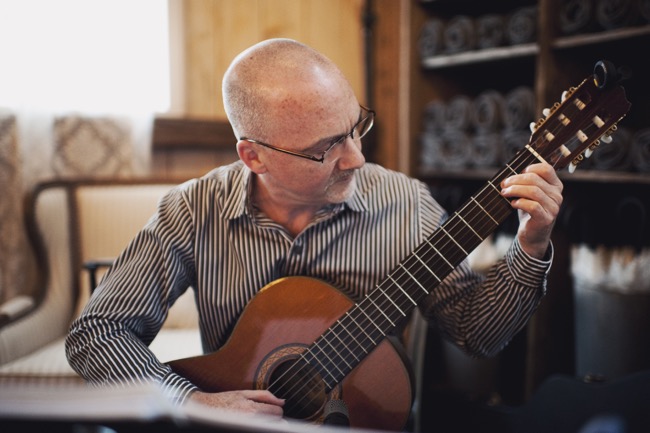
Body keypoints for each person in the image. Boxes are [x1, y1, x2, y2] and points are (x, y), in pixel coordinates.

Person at [66, 38, 563, 419]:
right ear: (253, 155)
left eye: (355, 127)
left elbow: (478, 334)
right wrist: (192, 401)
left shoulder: (407, 205)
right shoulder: (192, 210)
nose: (357, 158)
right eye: (326, 148)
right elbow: (97, 332)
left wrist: (532, 244)